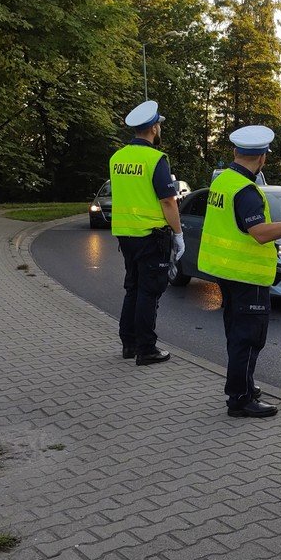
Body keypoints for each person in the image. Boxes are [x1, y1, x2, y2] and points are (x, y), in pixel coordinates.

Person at [197, 125, 281, 418]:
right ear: (262, 158)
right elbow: (259, 232)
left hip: (226, 271)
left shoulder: (223, 181)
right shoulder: (246, 191)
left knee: (236, 333)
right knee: (248, 337)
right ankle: (240, 399)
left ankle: (243, 385)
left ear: (235, 152)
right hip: (247, 276)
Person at [109, 100, 183, 366]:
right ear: (153, 128)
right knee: (149, 292)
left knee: (133, 287)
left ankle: (128, 344)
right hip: (151, 235)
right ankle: (146, 349)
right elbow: (168, 201)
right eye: (159, 124)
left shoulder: (117, 157)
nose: (160, 128)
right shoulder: (155, 159)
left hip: (124, 234)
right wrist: (178, 233)